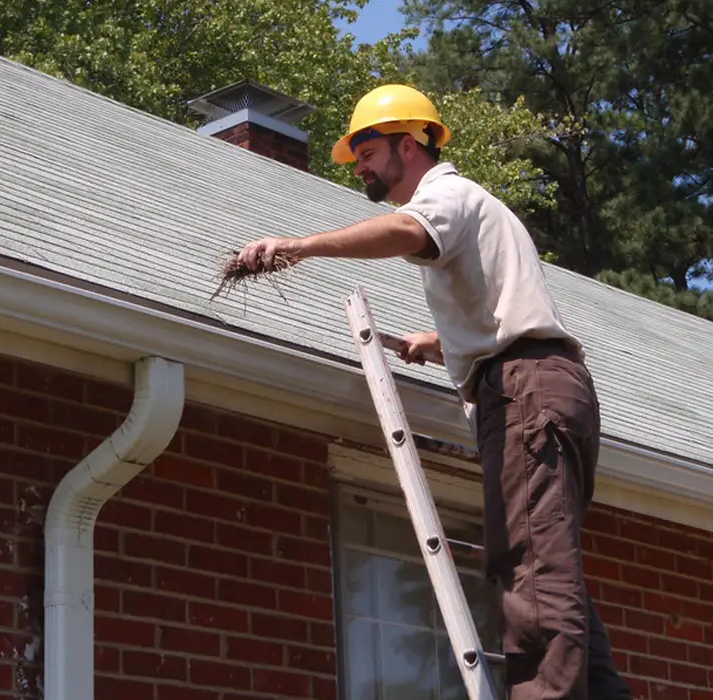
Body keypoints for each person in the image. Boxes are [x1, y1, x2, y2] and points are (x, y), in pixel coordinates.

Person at [236, 84, 633, 700]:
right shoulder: (478, 209)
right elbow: (505, 315)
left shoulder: (444, 193)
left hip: (524, 391)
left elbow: (403, 232)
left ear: (409, 142)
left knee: (530, 568)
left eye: (366, 150)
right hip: (547, 386)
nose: (360, 165)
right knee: (556, 570)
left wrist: (298, 247)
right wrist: (442, 341)